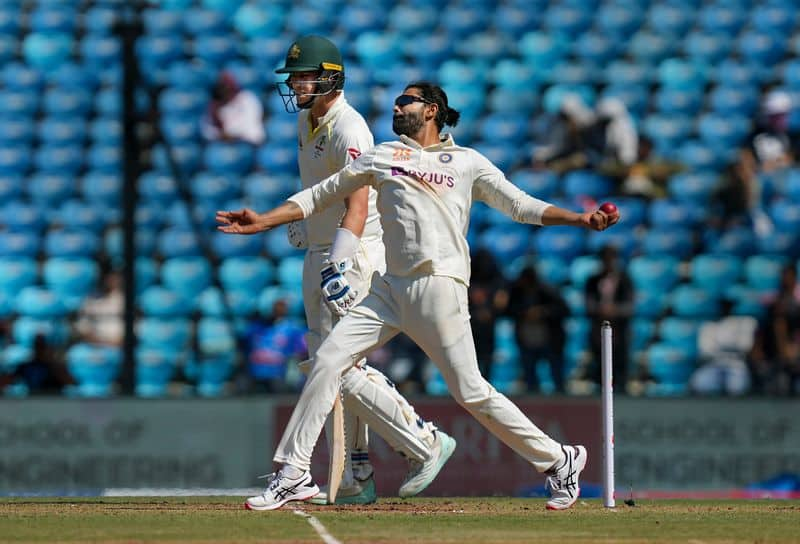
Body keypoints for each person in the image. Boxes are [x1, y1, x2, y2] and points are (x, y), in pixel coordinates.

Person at [217, 81, 620, 511]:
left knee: (471, 392)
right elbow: (320, 194)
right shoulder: (384, 154)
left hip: (440, 287)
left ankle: (561, 460)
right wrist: (263, 221)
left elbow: (521, 206)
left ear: (431, 110)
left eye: (405, 100)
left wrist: (580, 219)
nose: (396, 104)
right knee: (328, 360)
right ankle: (293, 472)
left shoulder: (467, 162)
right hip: (390, 288)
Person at [267, 35, 454, 506]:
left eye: (303, 75)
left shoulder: (350, 128)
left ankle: (424, 441)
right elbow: (319, 189)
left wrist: (338, 262)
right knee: (324, 364)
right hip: (321, 250)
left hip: (351, 254)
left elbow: (358, 201)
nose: (295, 83)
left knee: (337, 365)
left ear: (330, 77)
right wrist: (307, 228)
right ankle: (356, 470)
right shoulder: (310, 123)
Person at [506, 265, 569, 394]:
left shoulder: (548, 291)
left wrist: (543, 312)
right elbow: (508, 310)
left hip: (550, 338)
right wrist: (525, 313)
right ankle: (533, 398)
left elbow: (564, 310)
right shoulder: (517, 292)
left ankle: (560, 398)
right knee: (529, 373)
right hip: (527, 338)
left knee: (556, 371)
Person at [583, 245, 634, 391]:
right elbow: (588, 305)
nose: (608, 262)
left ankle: (622, 394)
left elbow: (629, 307)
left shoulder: (625, 280)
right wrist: (600, 310)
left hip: (620, 331)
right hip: (597, 331)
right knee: (600, 366)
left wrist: (614, 310)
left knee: (620, 366)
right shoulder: (592, 280)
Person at [689, 299, 756, 396]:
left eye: (727, 307)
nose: (724, 310)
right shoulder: (708, 325)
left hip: (736, 364)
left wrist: (720, 345)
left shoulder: (745, 323)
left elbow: (746, 346)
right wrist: (731, 345)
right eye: (721, 308)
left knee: (738, 387)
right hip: (714, 364)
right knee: (701, 383)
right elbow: (706, 349)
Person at [200, 71, 265, 145]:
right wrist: (221, 135)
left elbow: (253, 122)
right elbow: (207, 131)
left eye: (226, 88)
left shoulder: (246, 97)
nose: (224, 91)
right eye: (221, 88)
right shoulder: (213, 106)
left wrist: (232, 134)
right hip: (222, 144)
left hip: (249, 142)